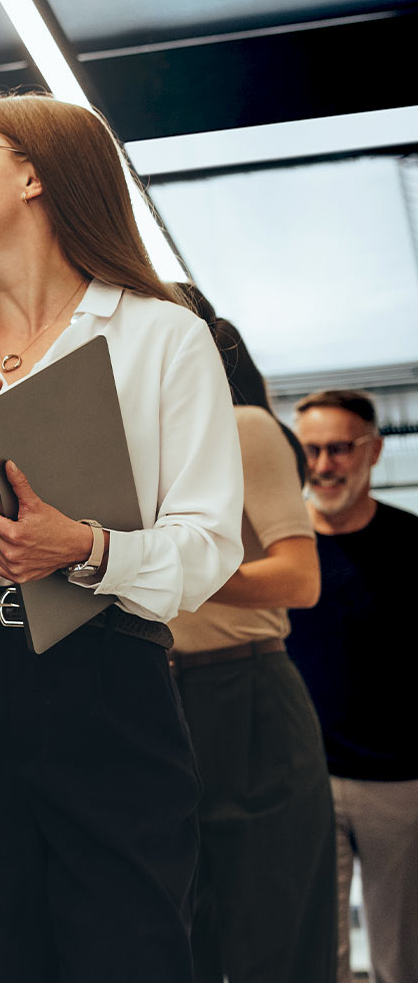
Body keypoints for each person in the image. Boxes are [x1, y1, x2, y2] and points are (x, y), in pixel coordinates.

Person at [0, 92, 243, 982]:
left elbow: (208, 545)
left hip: (106, 679)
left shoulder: (164, 337)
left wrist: (88, 549)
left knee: (133, 953)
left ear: (34, 176)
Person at [166, 286, 334, 983]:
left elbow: (300, 580)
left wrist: (165, 572)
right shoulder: (126, 445)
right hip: (157, 701)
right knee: (177, 942)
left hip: (246, 694)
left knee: (276, 942)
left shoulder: (242, 427)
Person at [285, 389, 418, 983]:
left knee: (404, 957)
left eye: (339, 448)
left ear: (376, 450)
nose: (322, 465)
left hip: (402, 784)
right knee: (317, 957)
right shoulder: (280, 551)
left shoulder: (412, 544)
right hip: (304, 781)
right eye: (310, 449)